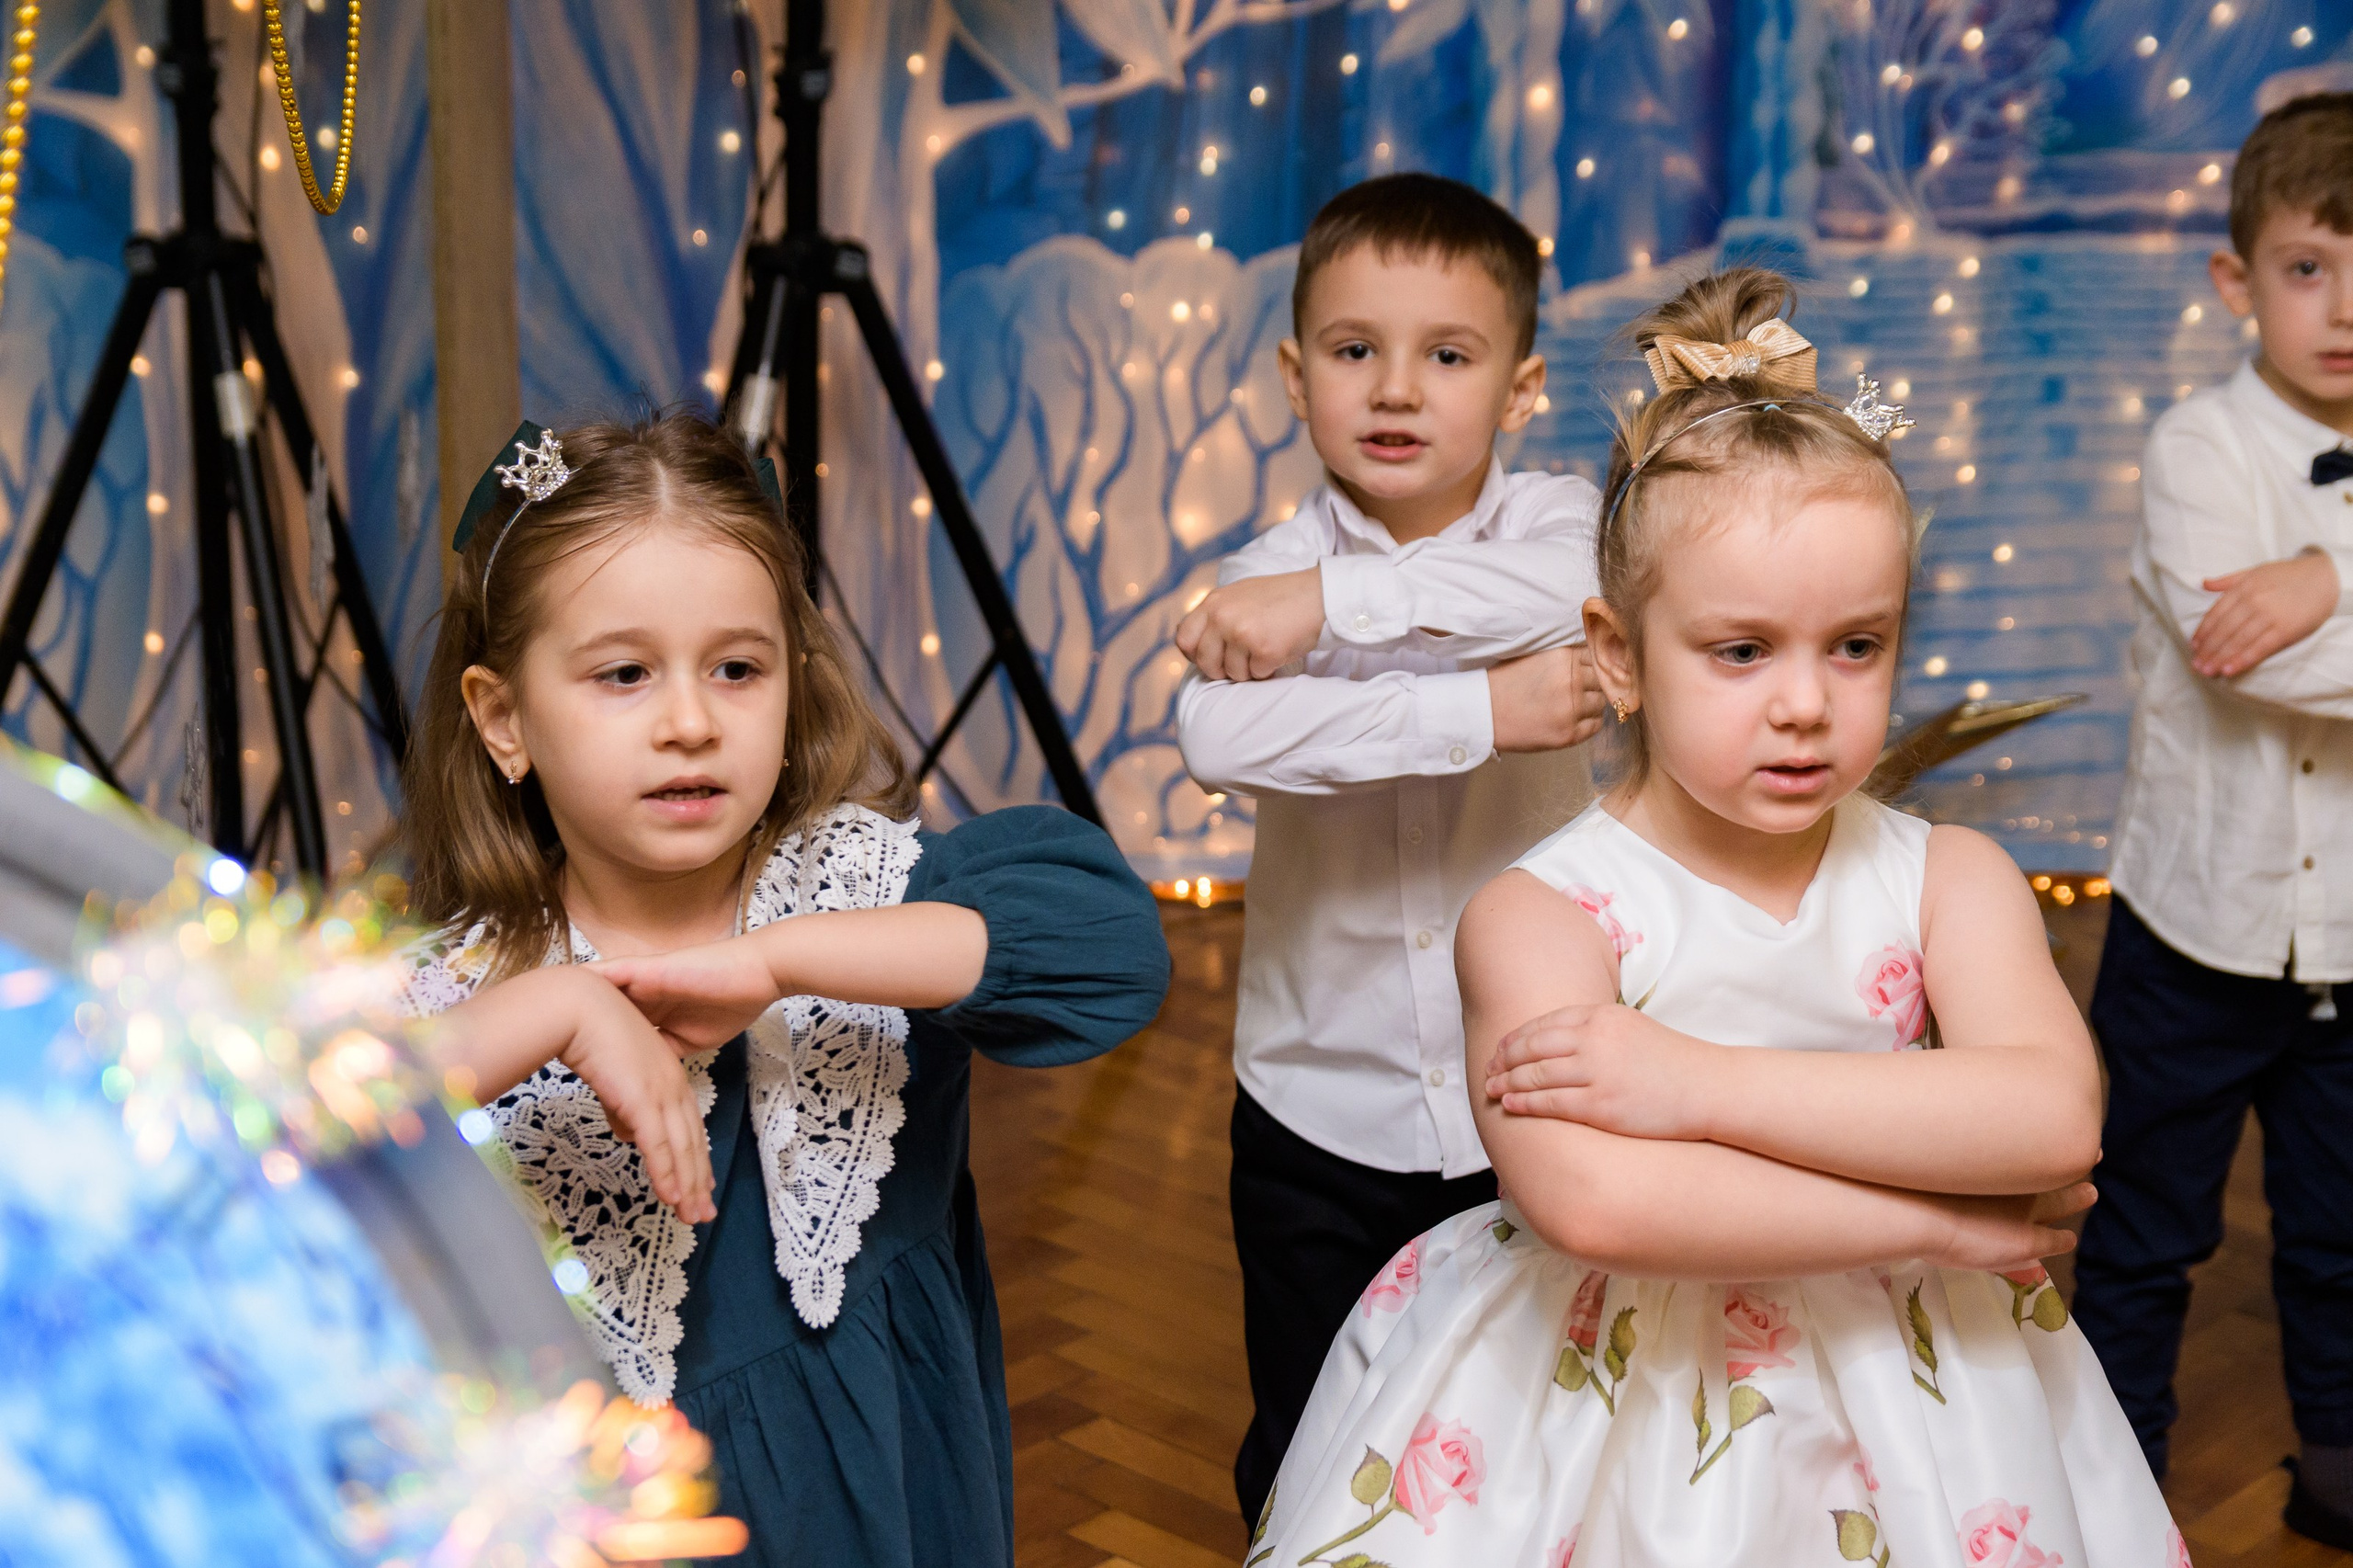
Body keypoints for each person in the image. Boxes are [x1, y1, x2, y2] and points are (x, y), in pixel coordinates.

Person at [1249, 269, 2182, 1567]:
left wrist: (1685, 1079)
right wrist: (1933, 1219)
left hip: (1922, 1396)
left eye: (1855, 646)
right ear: (1620, 656)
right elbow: (1599, 1203)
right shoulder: (1539, 913)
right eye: (1741, 651)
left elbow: (2050, 1116)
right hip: (1599, 1402)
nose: (1805, 702)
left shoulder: (1948, 873)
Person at [396, 411, 1170, 1568]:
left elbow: (1110, 952)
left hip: (886, 1508)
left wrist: (776, 960)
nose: (691, 722)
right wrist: (562, 1008)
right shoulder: (465, 985)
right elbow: (289, 1145)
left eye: (736, 667)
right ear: (504, 717)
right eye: (623, 673)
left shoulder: (867, 897)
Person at [1172, 172, 1605, 1523]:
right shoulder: (1259, 569)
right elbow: (1219, 738)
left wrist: (1337, 605)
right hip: (1320, 1101)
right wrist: (1484, 706)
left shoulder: (1564, 527)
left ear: (1521, 387)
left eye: (1449, 355)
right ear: (1300, 377)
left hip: (1532, 1084)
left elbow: (1559, 590)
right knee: (1311, 1431)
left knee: (1530, 1418)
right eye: (1358, 351)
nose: (1398, 390)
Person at [2075, 89, 2353, 1550]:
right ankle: (2109, 1486)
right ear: (2238, 283)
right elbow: (2244, 658)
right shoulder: (2197, 447)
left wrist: (2322, 570)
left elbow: (2316, 636)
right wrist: (2303, 594)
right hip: (2198, 923)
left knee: (2345, 1234)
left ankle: (2340, 1470)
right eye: (2311, 267)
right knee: (2141, 1228)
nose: (2346, 308)